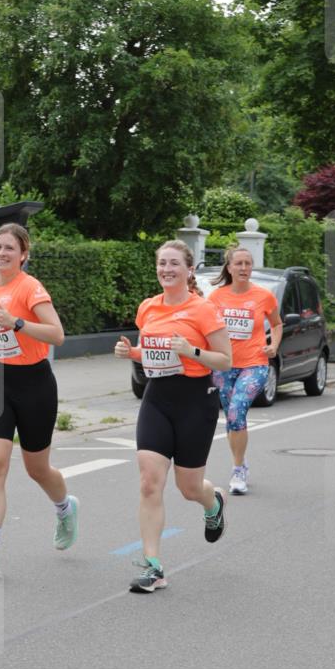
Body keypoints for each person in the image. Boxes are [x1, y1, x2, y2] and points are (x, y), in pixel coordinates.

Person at [115, 240, 232, 594]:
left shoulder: (204, 310)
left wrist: (193, 351)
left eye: (174, 264)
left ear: (189, 270)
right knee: (150, 481)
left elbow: (225, 360)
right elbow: (150, 353)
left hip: (196, 401)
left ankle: (214, 503)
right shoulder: (148, 308)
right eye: (162, 263)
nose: (167, 269)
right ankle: (153, 566)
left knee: (189, 488)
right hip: (157, 398)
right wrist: (130, 352)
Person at [0, 223, 77, 576]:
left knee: (36, 468)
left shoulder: (31, 288)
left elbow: (57, 335)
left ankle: (64, 507)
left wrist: (16, 323)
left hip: (35, 384)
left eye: (9, 248)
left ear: (23, 255)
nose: (1, 253)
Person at [207, 246, 282, 495]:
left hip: (255, 363)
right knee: (231, 418)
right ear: (229, 267)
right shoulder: (216, 297)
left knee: (237, 411)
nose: (243, 268)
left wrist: (274, 344)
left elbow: (277, 323)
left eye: (248, 263)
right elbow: (205, 327)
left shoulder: (264, 296)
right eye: (238, 263)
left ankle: (238, 469)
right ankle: (241, 462)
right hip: (224, 364)